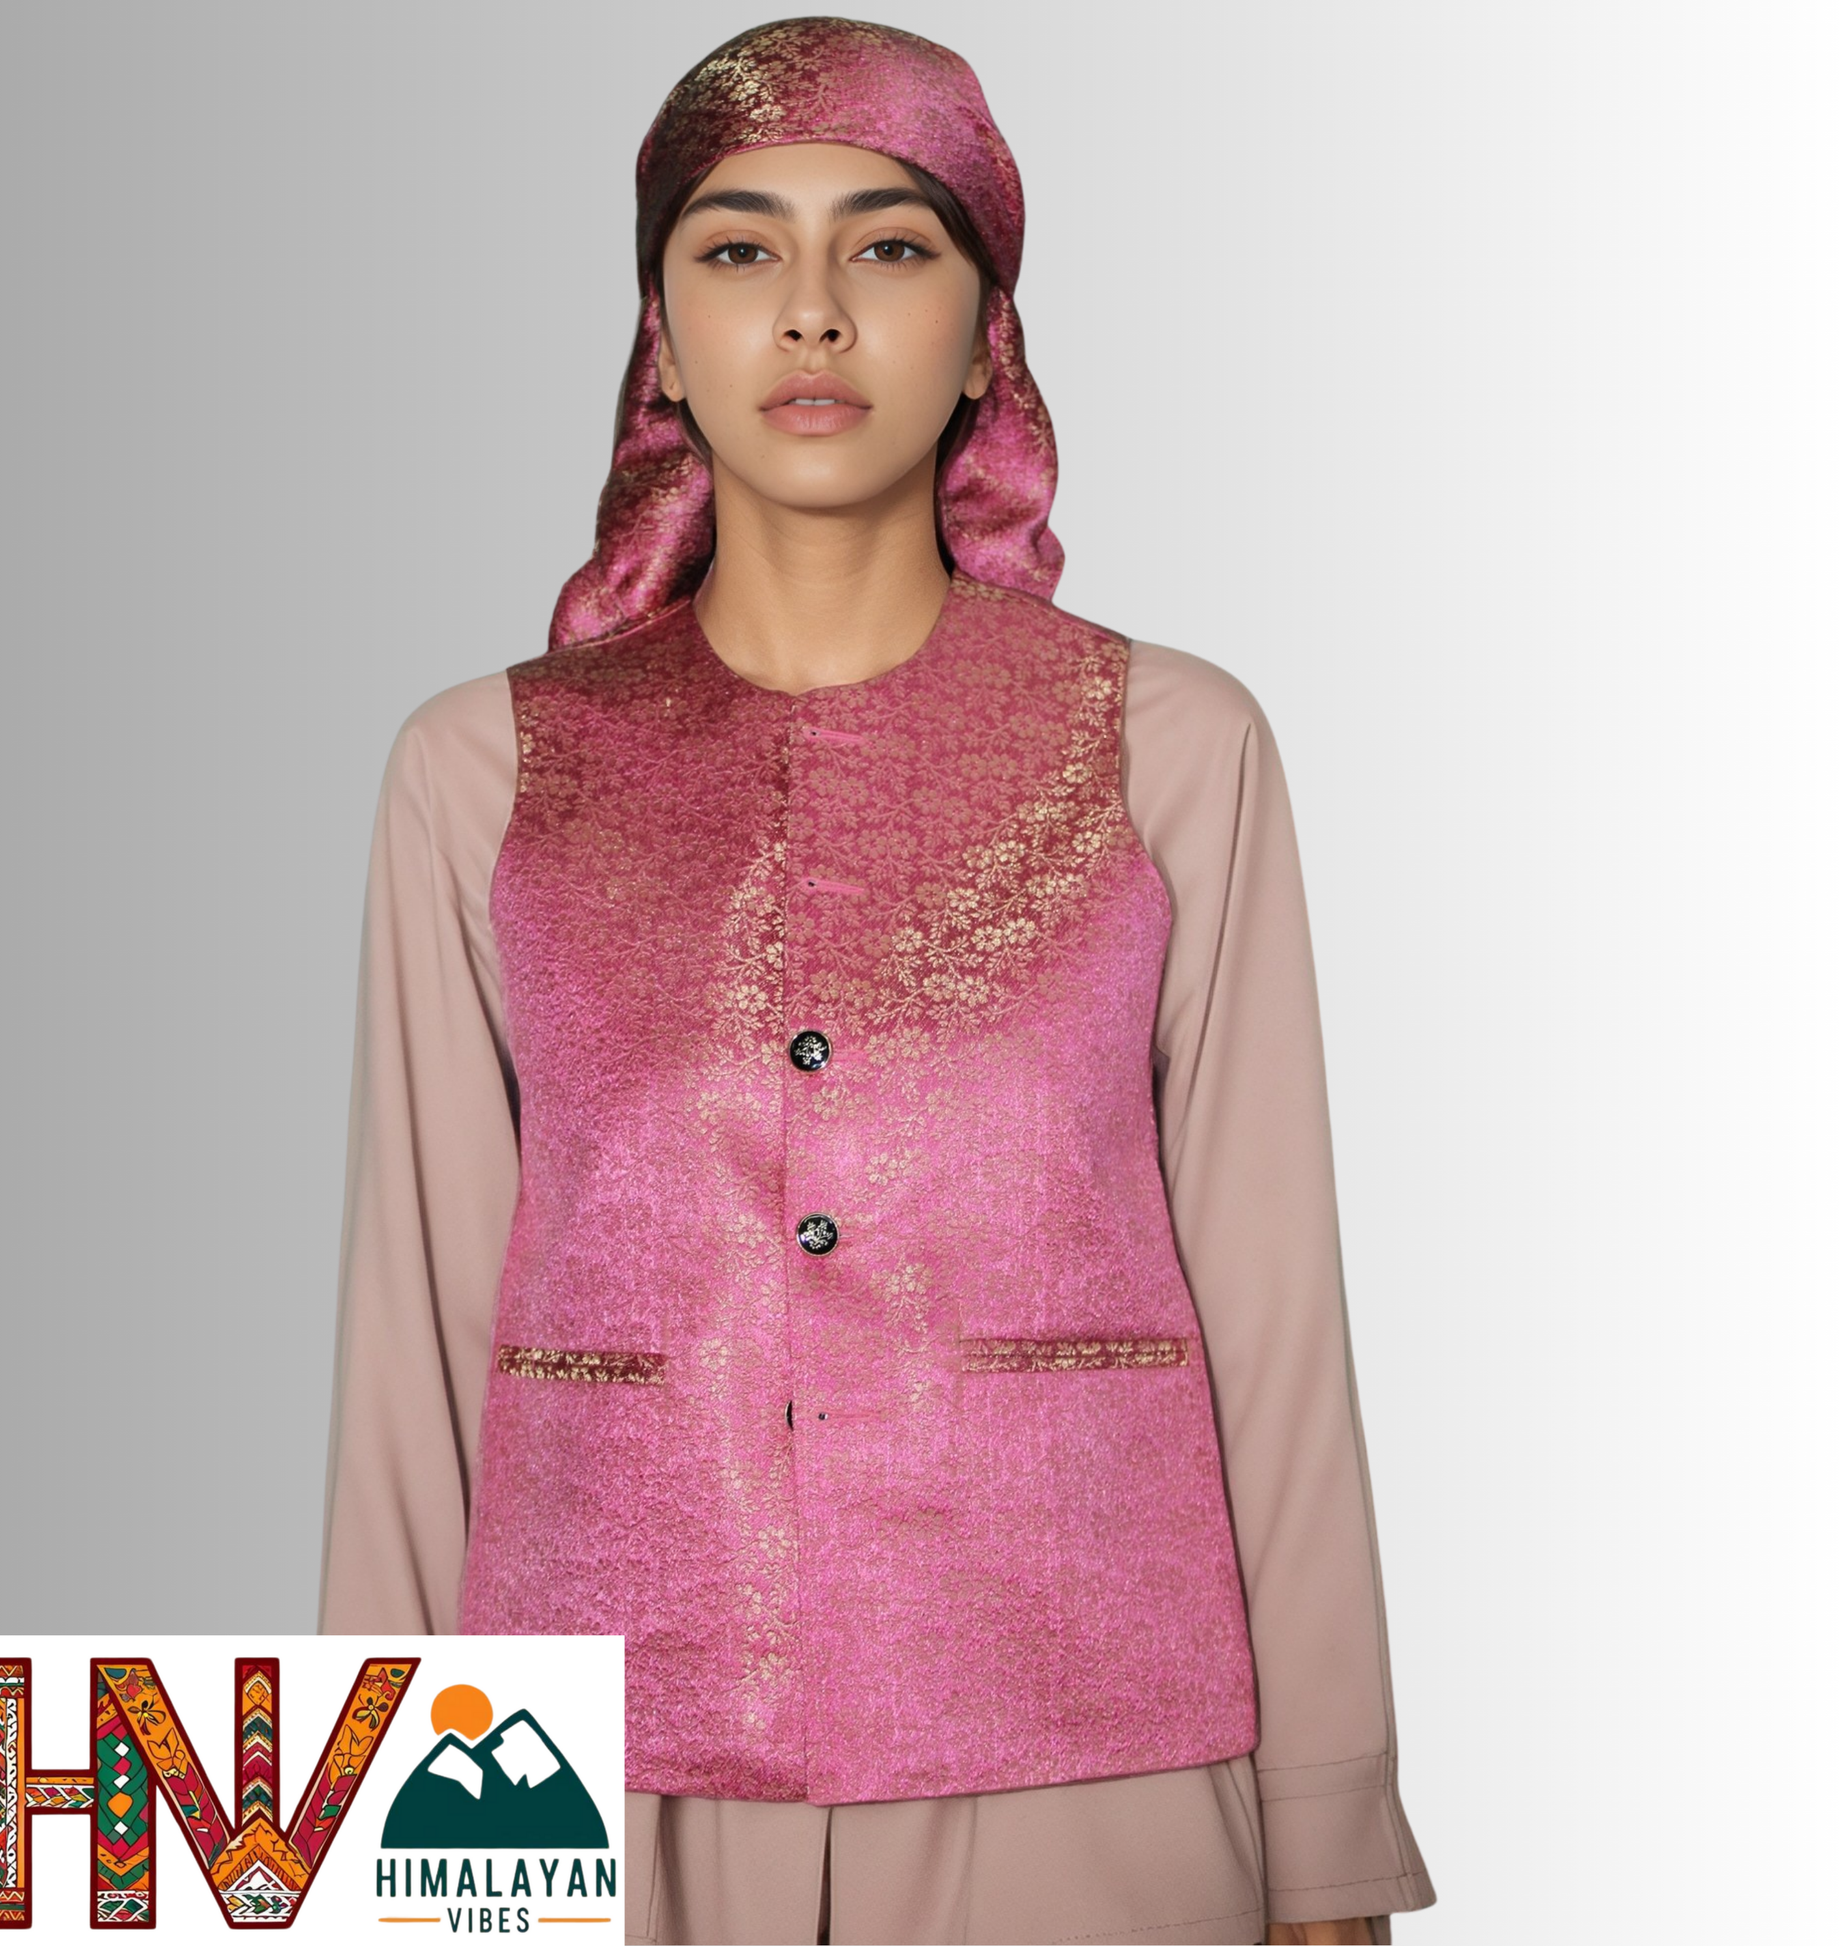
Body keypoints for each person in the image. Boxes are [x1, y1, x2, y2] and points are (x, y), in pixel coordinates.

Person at [317, 18, 1437, 1945]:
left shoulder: (1167, 745)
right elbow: (411, 1348)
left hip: (1089, 1747)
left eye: (891, 246)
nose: (812, 311)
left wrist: (1324, 1832)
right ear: (662, 336)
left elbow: (1276, 1316)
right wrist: (364, 1859)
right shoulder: (482, 771)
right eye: (738, 248)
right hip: (589, 1776)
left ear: (989, 332)